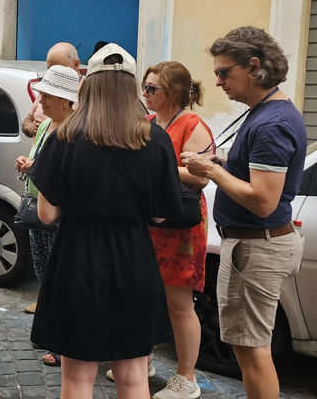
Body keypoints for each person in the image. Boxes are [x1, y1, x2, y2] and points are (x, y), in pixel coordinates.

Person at [28, 43, 184, 399]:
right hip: (134, 259)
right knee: (132, 377)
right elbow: (160, 214)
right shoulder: (155, 138)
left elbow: (46, 214)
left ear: (88, 85)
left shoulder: (64, 136)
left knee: (79, 379)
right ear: (132, 87)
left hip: (78, 259)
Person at [182, 26, 306, 399]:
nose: (217, 81)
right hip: (254, 245)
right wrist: (225, 161)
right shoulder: (267, 113)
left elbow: (264, 200)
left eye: (224, 72)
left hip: (256, 248)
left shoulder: (271, 122)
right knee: (249, 348)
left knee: (252, 352)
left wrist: (212, 171)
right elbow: (261, 178)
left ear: (254, 67)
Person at [106, 61, 214, 398]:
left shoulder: (193, 125)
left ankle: (187, 378)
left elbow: (201, 175)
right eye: (146, 87)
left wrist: (159, 167)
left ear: (175, 91)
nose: (146, 94)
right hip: (150, 222)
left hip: (180, 226)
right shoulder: (149, 122)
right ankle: (143, 358)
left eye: (154, 88)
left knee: (179, 303)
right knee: (145, 295)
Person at [14, 65, 78, 367]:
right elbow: (39, 159)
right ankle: (51, 330)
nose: (39, 100)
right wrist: (29, 163)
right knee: (43, 273)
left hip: (60, 213)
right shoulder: (45, 126)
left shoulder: (75, 132)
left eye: (46, 94)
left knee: (61, 278)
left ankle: (64, 341)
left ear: (66, 100)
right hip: (35, 203)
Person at [21, 42, 81, 138]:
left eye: (59, 68)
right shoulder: (46, 90)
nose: (41, 100)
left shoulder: (87, 92)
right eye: (49, 69)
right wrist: (32, 127)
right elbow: (27, 121)